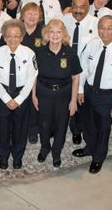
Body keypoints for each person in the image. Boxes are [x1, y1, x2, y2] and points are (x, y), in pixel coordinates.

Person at [72, 15, 112, 174]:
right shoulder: (92, 45)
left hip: (108, 97)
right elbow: (84, 68)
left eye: (109, 28)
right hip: (90, 91)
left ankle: (98, 157)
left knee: (103, 129)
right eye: (102, 28)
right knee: (88, 124)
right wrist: (80, 89)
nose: (105, 32)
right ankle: (89, 148)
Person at [0, 19, 38, 169]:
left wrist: (19, 99)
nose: (13, 39)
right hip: (2, 93)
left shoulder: (29, 54)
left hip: (21, 94)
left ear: (22, 37)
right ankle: (3, 156)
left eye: (16, 36)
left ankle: (17, 156)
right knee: (2, 128)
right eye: (9, 36)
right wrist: (5, 98)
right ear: (4, 37)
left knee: (20, 127)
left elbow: (31, 78)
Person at [33, 20, 81, 167]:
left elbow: (76, 77)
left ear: (64, 34)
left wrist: (73, 100)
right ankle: (45, 147)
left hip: (64, 94)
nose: (55, 35)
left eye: (58, 32)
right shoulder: (39, 52)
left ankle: (56, 152)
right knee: (44, 123)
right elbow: (34, 75)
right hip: (44, 92)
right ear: (46, 34)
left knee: (61, 124)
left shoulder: (71, 53)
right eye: (51, 32)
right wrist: (33, 95)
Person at [62, 0, 99, 144]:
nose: (78, 10)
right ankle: (71, 127)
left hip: (86, 69)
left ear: (88, 7)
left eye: (82, 6)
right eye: (75, 6)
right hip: (66, 67)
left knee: (82, 100)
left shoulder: (96, 24)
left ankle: (81, 129)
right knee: (65, 99)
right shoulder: (65, 20)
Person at [20, 2, 45, 144]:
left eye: (35, 14)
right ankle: (19, 129)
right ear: (22, 15)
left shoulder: (43, 31)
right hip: (18, 74)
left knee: (34, 102)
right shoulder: (16, 28)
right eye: (29, 13)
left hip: (38, 75)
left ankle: (33, 130)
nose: (32, 16)